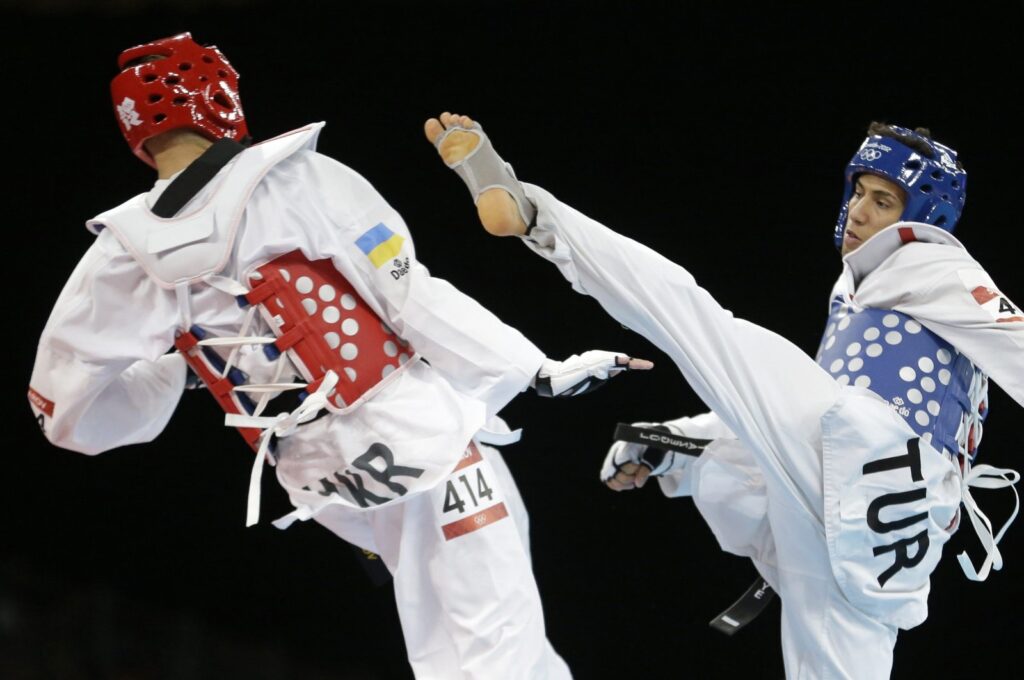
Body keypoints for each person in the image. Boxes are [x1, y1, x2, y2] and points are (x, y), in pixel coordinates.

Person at [26, 35, 654, 680]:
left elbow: (62, 410)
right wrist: (535, 370)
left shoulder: (120, 253)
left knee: (440, 648)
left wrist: (181, 368)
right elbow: (410, 290)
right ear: (217, 97)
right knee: (502, 636)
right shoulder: (297, 179)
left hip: (323, 481)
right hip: (417, 437)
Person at [425, 112, 1023, 678]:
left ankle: (533, 213)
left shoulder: (935, 265)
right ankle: (683, 446)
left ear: (925, 216)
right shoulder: (862, 290)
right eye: (859, 192)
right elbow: (784, 421)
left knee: (696, 320)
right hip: (874, 522)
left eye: (883, 200)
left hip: (882, 466)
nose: (859, 212)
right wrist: (675, 442)